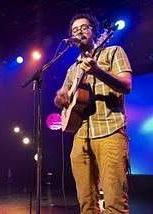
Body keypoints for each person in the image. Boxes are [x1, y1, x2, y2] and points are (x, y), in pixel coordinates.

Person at [54, 13, 132, 213]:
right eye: (75, 30)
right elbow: (61, 98)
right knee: (86, 203)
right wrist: (61, 98)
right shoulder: (73, 69)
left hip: (110, 130)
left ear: (95, 32)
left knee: (115, 201)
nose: (79, 32)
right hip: (81, 136)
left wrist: (97, 71)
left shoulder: (113, 51)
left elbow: (126, 85)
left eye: (84, 27)